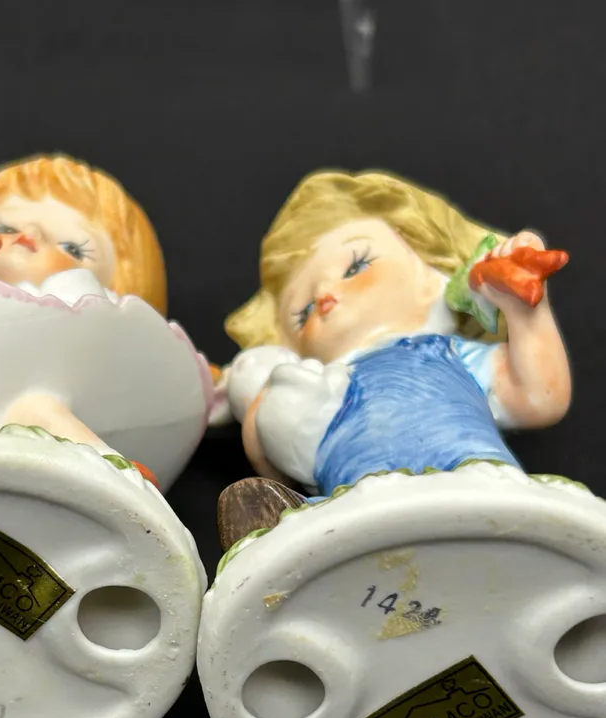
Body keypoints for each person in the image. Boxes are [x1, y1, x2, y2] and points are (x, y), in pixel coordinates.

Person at [216, 170, 571, 547]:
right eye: (302, 313)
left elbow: (540, 399)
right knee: (290, 512)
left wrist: (524, 312)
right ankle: (284, 540)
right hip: (360, 517)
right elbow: (280, 467)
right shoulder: (320, 389)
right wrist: (262, 413)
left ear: (433, 278)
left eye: (355, 266)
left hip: (473, 490)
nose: (323, 295)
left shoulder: (448, 354)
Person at [0, 154, 168, 442]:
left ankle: (107, 464)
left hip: (47, 398)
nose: (29, 234)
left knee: (41, 411)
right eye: (5, 228)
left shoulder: (80, 300)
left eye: (72, 247)